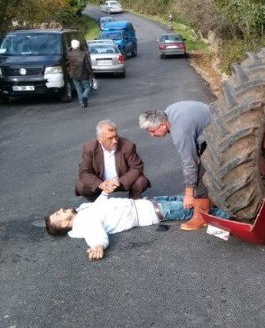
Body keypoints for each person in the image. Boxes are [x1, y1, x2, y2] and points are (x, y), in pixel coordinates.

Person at [45, 193, 196, 261]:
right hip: (155, 210)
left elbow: (99, 205)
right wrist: (98, 246)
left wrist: (105, 192)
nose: (60, 210)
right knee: (201, 209)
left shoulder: (82, 209)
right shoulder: (83, 223)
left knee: (198, 198)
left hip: (149, 201)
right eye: (58, 215)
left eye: (57, 212)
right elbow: (95, 234)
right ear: (65, 224)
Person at [139, 102, 211, 231]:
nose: (151, 135)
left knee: (201, 176)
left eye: (152, 131)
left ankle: (201, 217)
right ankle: (211, 199)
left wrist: (189, 193)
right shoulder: (168, 112)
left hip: (216, 132)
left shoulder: (180, 131)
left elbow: (189, 162)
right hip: (211, 125)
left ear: (162, 124)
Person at [76, 120, 151, 202]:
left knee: (141, 181)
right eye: (110, 138)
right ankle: (98, 202)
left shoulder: (128, 145)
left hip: (121, 181)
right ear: (100, 140)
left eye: (116, 136)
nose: (115, 141)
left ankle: (134, 200)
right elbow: (84, 172)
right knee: (81, 186)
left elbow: (137, 167)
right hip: (101, 183)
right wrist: (100, 184)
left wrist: (119, 181)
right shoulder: (89, 148)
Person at [66, 39, 94, 108]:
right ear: (78, 46)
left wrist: (69, 72)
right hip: (83, 74)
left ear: (72, 46)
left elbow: (68, 64)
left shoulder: (69, 54)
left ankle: (82, 104)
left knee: (78, 89)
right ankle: (84, 97)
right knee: (87, 87)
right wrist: (91, 74)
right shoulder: (83, 54)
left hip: (74, 75)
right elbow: (88, 66)